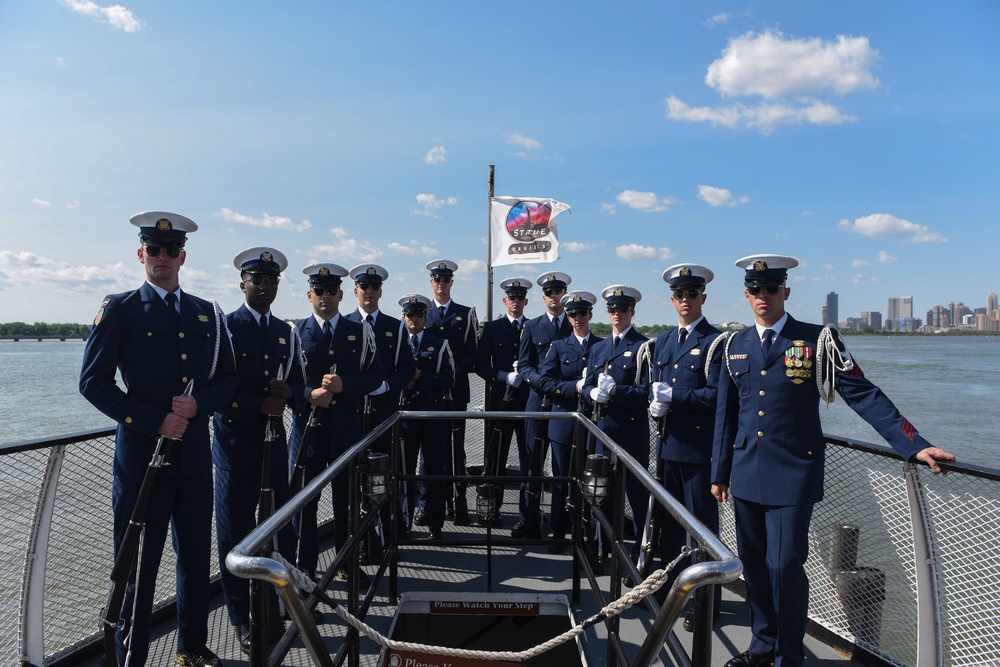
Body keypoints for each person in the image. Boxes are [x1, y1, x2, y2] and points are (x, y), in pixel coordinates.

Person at [711, 254, 956, 667]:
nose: (763, 296)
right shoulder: (733, 346)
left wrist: (912, 444)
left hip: (793, 472)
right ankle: (762, 646)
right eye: (755, 289)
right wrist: (719, 472)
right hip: (746, 471)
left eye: (771, 288)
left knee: (785, 565)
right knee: (754, 565)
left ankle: (790, 655)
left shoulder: (817, 339)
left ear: (785, 292)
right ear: (746, 295)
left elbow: (861, 392)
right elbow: (726, 414)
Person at [80, 211, 237, 667]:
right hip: (142, 462)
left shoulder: (208, 313)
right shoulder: (121, 308)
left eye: (171, 251)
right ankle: (134, 657)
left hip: (193, 460)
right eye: (154, 250)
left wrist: (200, 404)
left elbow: (227, 379)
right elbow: (94, 383)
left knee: (193, 558)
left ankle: (192, 647)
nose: (163, 257)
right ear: (141, 254)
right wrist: (154, 421)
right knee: (138, 568)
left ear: (183, 257)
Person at [211, 247, 302, 653]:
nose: (264, 287)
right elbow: (215, 390)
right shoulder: (225, 328)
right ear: (242, 283)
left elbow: (301, 384)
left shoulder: (287, 332)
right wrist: (255, 405)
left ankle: (279, 605)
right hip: (235, 446)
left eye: (271, 281)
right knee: (235, 534)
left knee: (280, 528)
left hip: (274, 445)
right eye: (257, 280)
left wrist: (291, 392)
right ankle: (242, 620)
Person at [288, 263, 382, 581]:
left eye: (331, 291)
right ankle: (305, 569)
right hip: (307, 438)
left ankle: (346, 563)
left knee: (347, 503)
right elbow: (285, 383)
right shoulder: (295, 334)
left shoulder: (360, 333)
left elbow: (375, 375)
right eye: (319, 291)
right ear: (309, 294)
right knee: (305, 508)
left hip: (345, 433)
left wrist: (346, 386)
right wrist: (307, 394)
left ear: (341, 294)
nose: (325, 297)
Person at [645, 264, 724, 630]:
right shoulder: (662, 342)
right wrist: (655, 401)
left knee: (704, 532)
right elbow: (654, 385)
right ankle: (669, 592)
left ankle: (707, 604)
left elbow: (717, 397)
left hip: (697, 450)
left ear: (703, 298)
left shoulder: (715, 342)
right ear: (672, 299)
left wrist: (674, 396)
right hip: (667, 446)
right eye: (679, 295)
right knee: (670, 528)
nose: (685, 300)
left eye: (692, 294)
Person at [344, 264, 416, 556]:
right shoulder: (345, 324)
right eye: (364, 287)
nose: (369, 292)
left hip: (383, 415)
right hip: (350, 416)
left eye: (374, 288)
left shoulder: (394, 326)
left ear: (380, 292)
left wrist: (386, 386)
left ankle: (389, 539)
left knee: (385, 478)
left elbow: (407, 368)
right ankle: (361, 541)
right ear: (355, 291)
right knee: (353, 482)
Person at [582, 285, 650, 541]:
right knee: (602, 493)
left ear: (632, 312)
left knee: (637, 496)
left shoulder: (644, 347)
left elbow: (646, 395)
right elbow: (587, 383)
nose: (617, 314)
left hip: (630, 434)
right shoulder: (598, 348)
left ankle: (639, 554)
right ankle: (604, 546)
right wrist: (590, 393)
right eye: (612, 309)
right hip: (602, 432)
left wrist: (616, 392)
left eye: (622, 309)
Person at [537, 290, 602, 552]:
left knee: (590, 480)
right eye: (572, 314)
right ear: (567, 316)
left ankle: (587, 531)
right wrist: (575, 387)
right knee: (562, 478)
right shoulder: (559, 346)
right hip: (564, 422)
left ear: (590, 315)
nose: (578, 318)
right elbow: (544, 382)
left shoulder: (601, 346)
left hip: (593, 423)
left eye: (582, 313)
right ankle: (558, 530)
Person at [516, 271, 574, 538]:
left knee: (563, 465)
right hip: (538, 400)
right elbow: (525, 365)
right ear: (543, 297)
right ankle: (528, 518)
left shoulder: (573, 323)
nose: (555, 296)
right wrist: (542, 382)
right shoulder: (532, 326)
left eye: (559, 291)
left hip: (564, 405)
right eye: (550, 292)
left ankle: (561, 523)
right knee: (531, 462)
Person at [421, 259, 478, 526]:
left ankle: (459, 501)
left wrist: (450, 377)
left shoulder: (465, 314)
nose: (441, 284)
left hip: (454, 393)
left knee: (456, 450)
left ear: (451, 283)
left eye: (445, 280)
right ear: (431, 283)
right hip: (428, 394)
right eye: (437, 280)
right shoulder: (421, 313)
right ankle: (427, 503)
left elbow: (471, 354)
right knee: (429, 452)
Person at [398, 293, 456, 539]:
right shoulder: (397, 344)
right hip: (405, 417)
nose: (415, 319)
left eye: (419, 315)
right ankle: (404, 522)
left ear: (426, 317)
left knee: (434, 471)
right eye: (410, 315)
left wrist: (421, 377)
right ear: (404, 317)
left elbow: (449, 379)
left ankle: (435, 523)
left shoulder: (439, 344)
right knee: (405, 472)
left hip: (433, 415)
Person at [475, 277, 532, 523]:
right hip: (498, 401)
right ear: (504, 300)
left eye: (520, 298)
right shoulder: (492, 328)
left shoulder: (534, 327)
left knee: (528, 459)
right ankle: (492, 508)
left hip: (528, 403)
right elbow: (480, 365)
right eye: (512, 297)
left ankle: (527, 513)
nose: (516, 302)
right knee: (495, 456)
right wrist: (502, 376)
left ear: (526, 301)